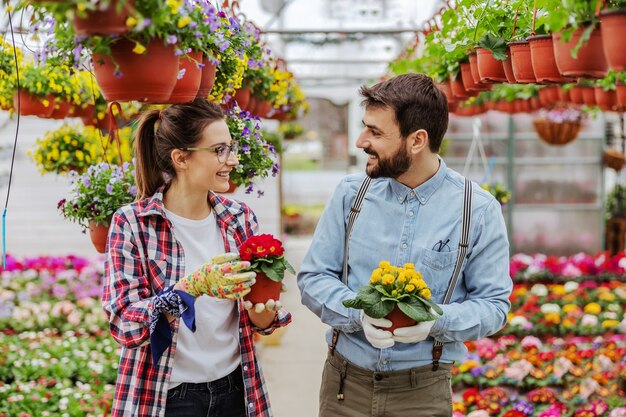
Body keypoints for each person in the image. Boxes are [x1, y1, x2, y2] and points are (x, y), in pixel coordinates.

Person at [297, 73, 512, 417]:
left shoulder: (477, 210)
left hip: (422, 394)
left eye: (375, 132)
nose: (360, 141)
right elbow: (313, 277)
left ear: (417, 141)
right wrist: (357, 314)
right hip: (344, 386)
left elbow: (494, 305)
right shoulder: (352, 196)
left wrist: (435, 320)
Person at [103, 99, 291, 417]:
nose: (231, 160)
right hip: (168, 397)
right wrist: (190, 288)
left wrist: (262, 316)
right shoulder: (133, 223)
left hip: (237, 391)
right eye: (219, 150)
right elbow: (123, 324)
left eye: (231, 148)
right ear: (181, 159)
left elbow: (252, 313)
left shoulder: (239, 218)